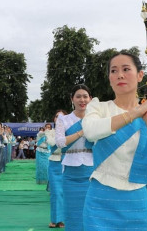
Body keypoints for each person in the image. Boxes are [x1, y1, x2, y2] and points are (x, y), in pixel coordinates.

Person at [82, 52, 147, 230]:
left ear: (140, 75)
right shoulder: (99, 108)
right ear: (109, 77)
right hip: (100, 198)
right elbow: (90, 131)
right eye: (114, 71)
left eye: (126, 69)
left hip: (137, 201)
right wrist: (136, 113)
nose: (120, 75)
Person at [55, 84, 93, 231]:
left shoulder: (95, 119)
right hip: (70, 172)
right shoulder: (63, 120)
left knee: (90, 211)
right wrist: (81, 132)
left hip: (91, 170)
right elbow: (60, 142)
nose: (82, 100)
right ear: (72, 99)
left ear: (90, 99)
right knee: (72, 212)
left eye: (85, 96)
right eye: (78, 96)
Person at [46, 110, 67, 228]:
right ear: (54, 119)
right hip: (54, 164)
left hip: (67, 164)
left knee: (65, 192)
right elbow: (53, 143)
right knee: (55, 192)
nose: (59, 119)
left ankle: (63, 219)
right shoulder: (50, 132)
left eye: (62, 117)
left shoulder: (69, 131)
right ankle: (54, 219)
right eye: (57, 117)